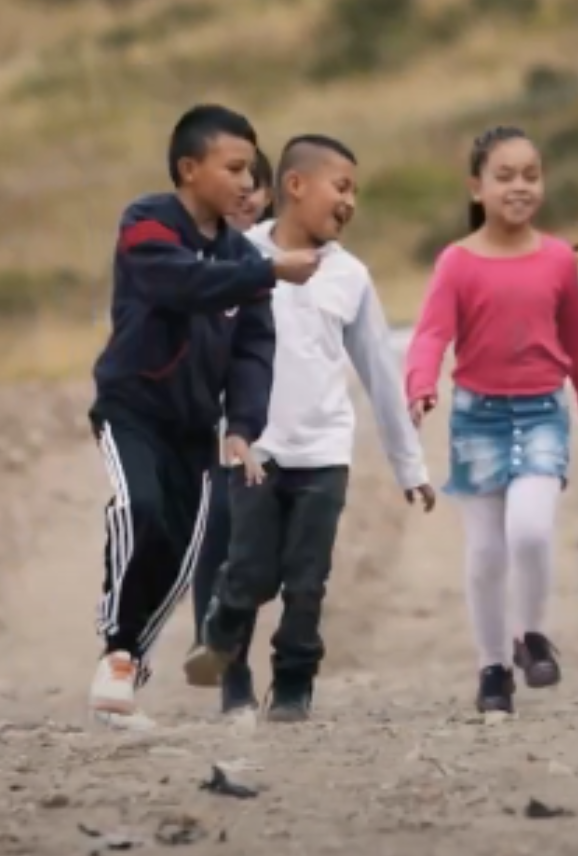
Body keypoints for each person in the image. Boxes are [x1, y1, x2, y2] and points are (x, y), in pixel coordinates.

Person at [184, 135, 439, 722]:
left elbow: (379, 371)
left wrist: (411, 468)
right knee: (249, 566)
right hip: (254, 448)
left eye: (356, 191)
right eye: (342, 186)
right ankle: (221, 634)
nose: (351, 201)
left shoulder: (350, 277)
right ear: (296, 186)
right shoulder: (237, 256)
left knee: (307, 581)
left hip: (324, 454)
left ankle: (294, 683)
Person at [86, 105, 321, 729]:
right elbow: (178, 284)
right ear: (190, 170)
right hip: (130, 408)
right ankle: (117, 649)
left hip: (197, 430)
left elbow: (253, 350)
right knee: (140, 511)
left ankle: (129, 661)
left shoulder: (242, 259)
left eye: (252, 170)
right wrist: (267, 268)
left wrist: (242, 427)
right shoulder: (146, 223)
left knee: (183, 554)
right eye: (235, 167)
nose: (248, 183)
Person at [403, 125, 578, 716]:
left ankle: (532, 635)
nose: (519, 187)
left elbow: (577, 339)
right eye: (505, 176)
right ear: (477, 187)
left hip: (543, 411)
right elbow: (430, 334)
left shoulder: (555, 260)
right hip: (478, 419)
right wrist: (420, 384)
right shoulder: (457, 263)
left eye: (531, 175)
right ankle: (492, 667)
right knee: (486, 551)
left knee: (530, 529)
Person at [188, 147, 275, 718]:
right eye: (236, 184)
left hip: (276, 429)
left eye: (255, 186)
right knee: (219, 538)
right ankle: (229, 670)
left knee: (265, 557)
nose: (245, 195)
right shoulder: (193, 255)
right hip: (214, 427)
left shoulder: (289, 258)